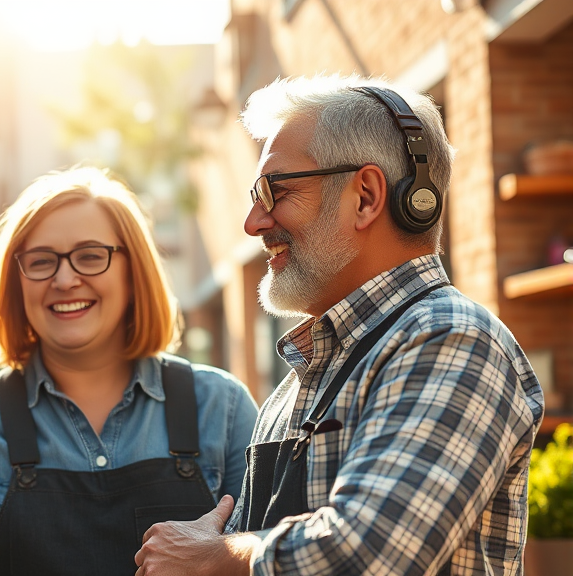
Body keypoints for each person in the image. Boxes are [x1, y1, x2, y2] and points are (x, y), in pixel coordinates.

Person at [135, 75, 544, 575]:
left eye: (275, 190)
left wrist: (215, 554)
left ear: (367, 196)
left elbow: (370, 553)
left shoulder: (451, 338)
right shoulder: (297, 383)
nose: (253, 222)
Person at [0, 166, 258, 576]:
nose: (64, 279)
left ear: (134, 273)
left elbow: (270, 558)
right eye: (41, 261)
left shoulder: (224, 408)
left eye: (90, 256)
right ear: (17, 282)